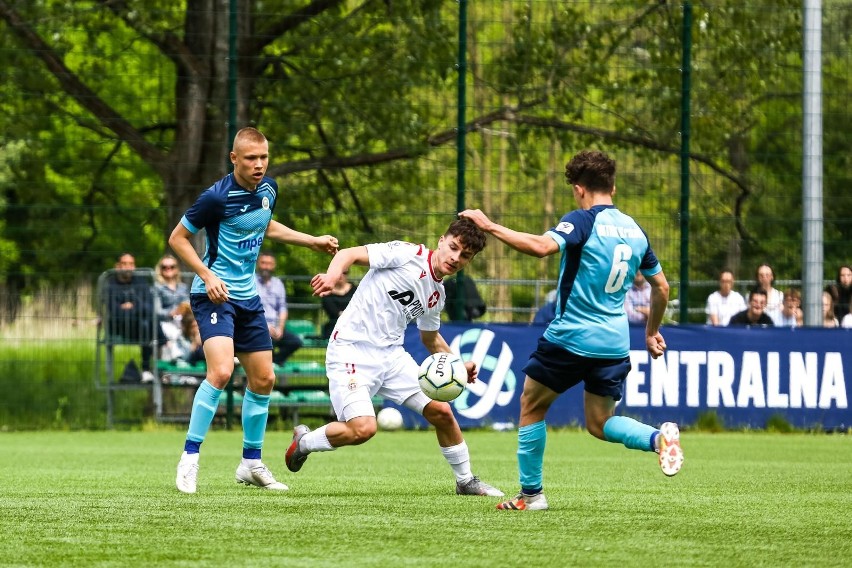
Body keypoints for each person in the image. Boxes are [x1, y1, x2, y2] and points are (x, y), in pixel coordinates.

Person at [460, 149, 682, 512]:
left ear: (580, 189)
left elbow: (541, 247)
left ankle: (531, 496)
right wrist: (650, 332)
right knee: (600, 423)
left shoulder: (582, 220)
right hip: (613, 344)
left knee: (531, 405)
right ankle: (658, 439)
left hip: (570, 337)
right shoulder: (635, 230)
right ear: (613, 185)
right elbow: (662, 288)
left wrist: (490, 226)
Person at [168, 126, 338, 494]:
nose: (259, 165)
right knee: (222, 371)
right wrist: (205, 274)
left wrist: (311, 240)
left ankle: (250, 463)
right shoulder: (215, 197)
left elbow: (265, 224)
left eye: (263, 158)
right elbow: (177, 238)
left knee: (264, 380)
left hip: (249, 299)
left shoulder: (269, 190)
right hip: (213, 296)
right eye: (250, 158)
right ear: (234, 159)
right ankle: (190, 458)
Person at [284, 218, 504, 498]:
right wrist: (332, 276)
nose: (456, 258)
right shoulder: (406, 254)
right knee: (363, 429)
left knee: (442, 412)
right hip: (351, 350)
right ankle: (304, 442)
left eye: (465, 255)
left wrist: (458, 367)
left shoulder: (437, 295)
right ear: (441, 240)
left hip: (391, 357)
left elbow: (431, 339)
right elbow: (347, 254)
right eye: (453, 247)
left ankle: (466, 481)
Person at [105, 252, 156, 383]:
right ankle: (147, 369)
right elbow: (115, 312)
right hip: (119, 328)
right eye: (124, 264)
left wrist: (130, 307)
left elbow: (149, 307)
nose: (128, 267)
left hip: (141, 327)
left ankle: (147, 370)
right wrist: (138, 307)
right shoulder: (110, 285)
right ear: (117, 266)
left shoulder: (141, 281)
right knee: (148, 323)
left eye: (131, 264)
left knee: (147, 322)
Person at [256, 252, 303, 365]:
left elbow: (282, 308)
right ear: (258, 264)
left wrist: (280, 328)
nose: (266, 266)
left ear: (274, 265)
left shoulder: (278, 284)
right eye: (263, 263)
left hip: (276, 327)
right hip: (258, 326)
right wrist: (266, 327)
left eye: (269, 263)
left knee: (295, 342)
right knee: (266, 343)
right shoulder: (251, 281)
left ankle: (275, 362)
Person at [154, 254, 190, 342]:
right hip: (165, 322)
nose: (168, 269)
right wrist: (172, 313)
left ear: (176, 269)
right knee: (175, 335)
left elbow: (188, 304)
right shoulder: (157, 287)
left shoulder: (183, 287)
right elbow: (157, 311)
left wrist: (183, 309)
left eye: (172, 267)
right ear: (160, 269)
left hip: (184, 321)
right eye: (164, 267)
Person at [320, 268, 357, 338]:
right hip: (334, 325)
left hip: (354, 325)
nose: (341, 276)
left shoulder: (356, 290)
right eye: (338, 273)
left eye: (344, 273)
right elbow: (332, 310)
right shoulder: (327, 292)